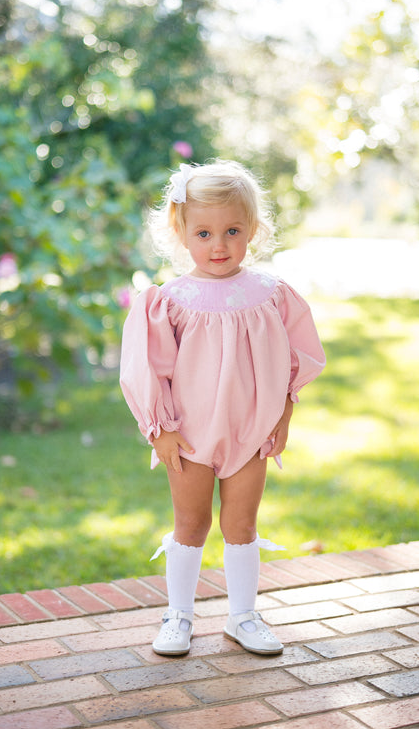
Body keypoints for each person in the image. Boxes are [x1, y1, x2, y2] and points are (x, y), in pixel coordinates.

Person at [120, 159, 325, 657]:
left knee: (242, 525)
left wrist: (283, 416)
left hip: (250, 432)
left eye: (232, 231)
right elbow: (148, 368)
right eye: (205, 232)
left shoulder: (271, 295)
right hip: (189, 435)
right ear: (181, 231)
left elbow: (295, 361)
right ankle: (179, 615)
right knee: (191, 523)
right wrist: (159, 429)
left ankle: (242, 616)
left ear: (252, 229)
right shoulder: (170, 301)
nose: (219, 245)